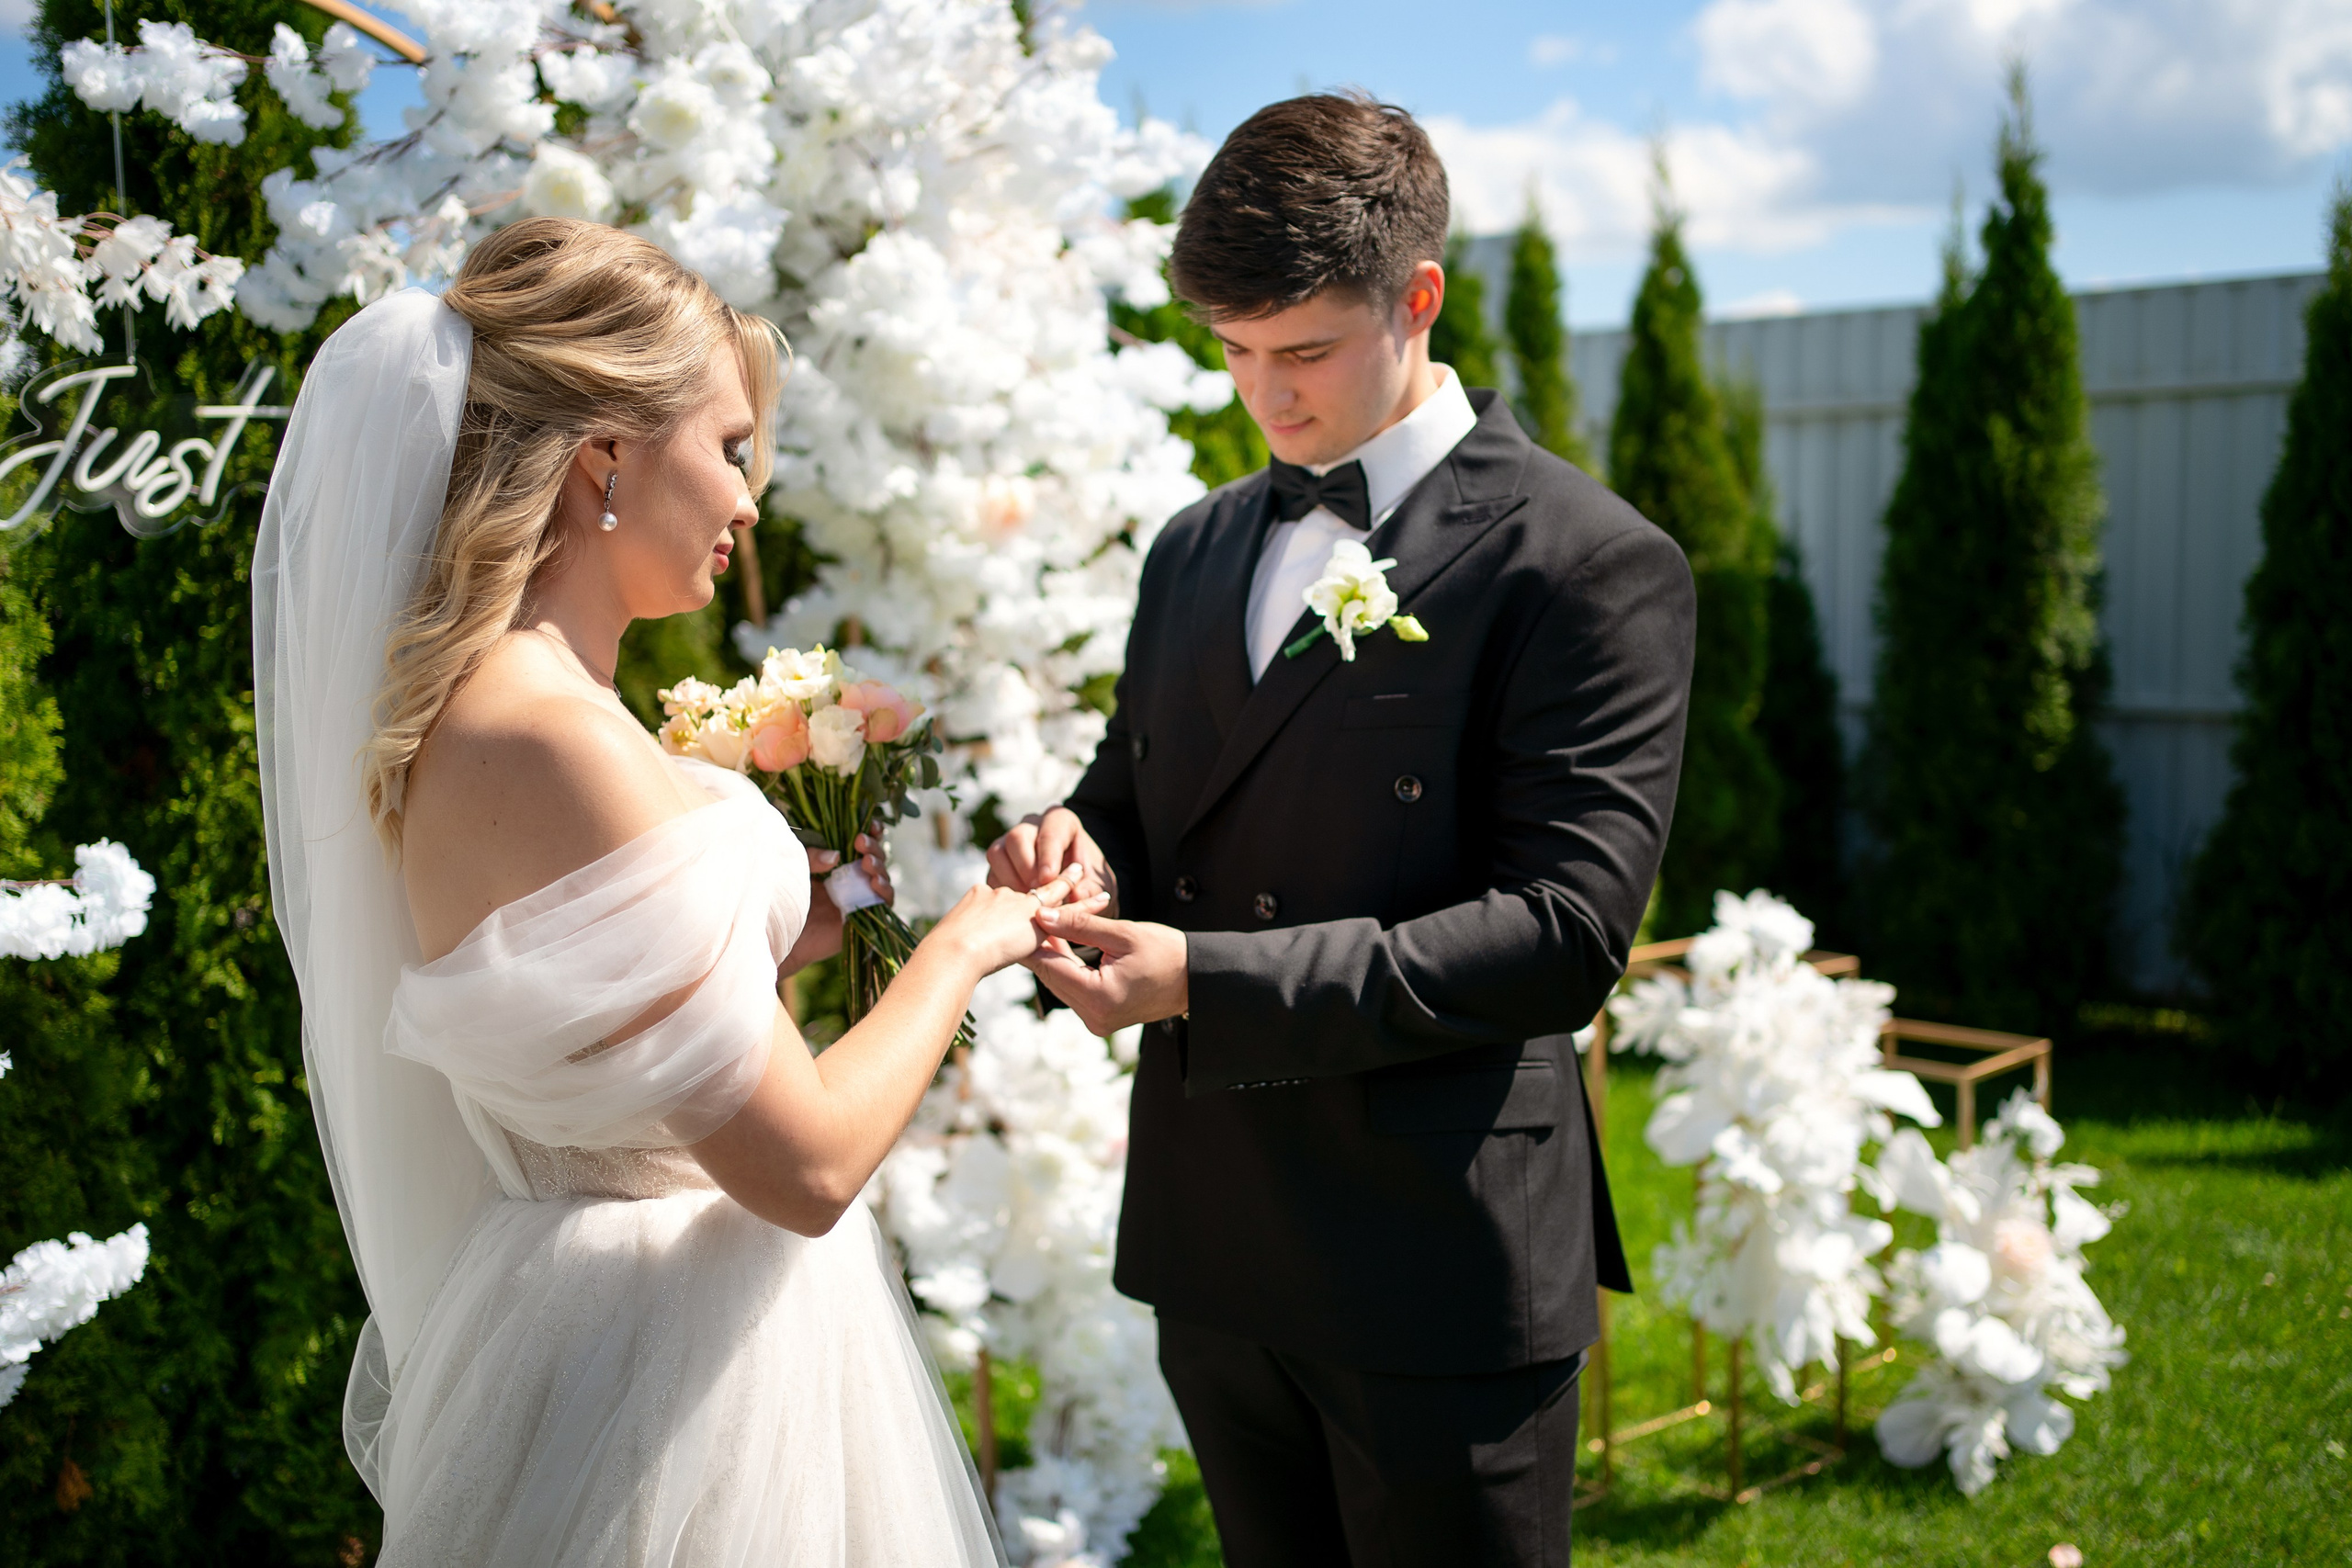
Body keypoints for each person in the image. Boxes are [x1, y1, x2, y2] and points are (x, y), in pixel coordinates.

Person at [255, 219, 1091, 1565]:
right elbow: (807, 1167)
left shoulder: (529, 707)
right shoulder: (554, 739)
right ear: (607, 458)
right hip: (665, 1379)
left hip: (622, 1325)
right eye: (731, 449)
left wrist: (785, 942)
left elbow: (595, 1041)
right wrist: (968, 942)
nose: (750, 500)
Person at [987, 95, 1698, 1565]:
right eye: (1234, 350)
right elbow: (1142, 787)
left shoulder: (1587, 562)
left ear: (1418, 297)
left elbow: (1564, 936)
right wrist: (1078, 841)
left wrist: (1202, 981)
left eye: (1302, 350)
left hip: (1437, 1260)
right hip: (1214, 1235)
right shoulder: (1194, 549)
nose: (1266, 395)